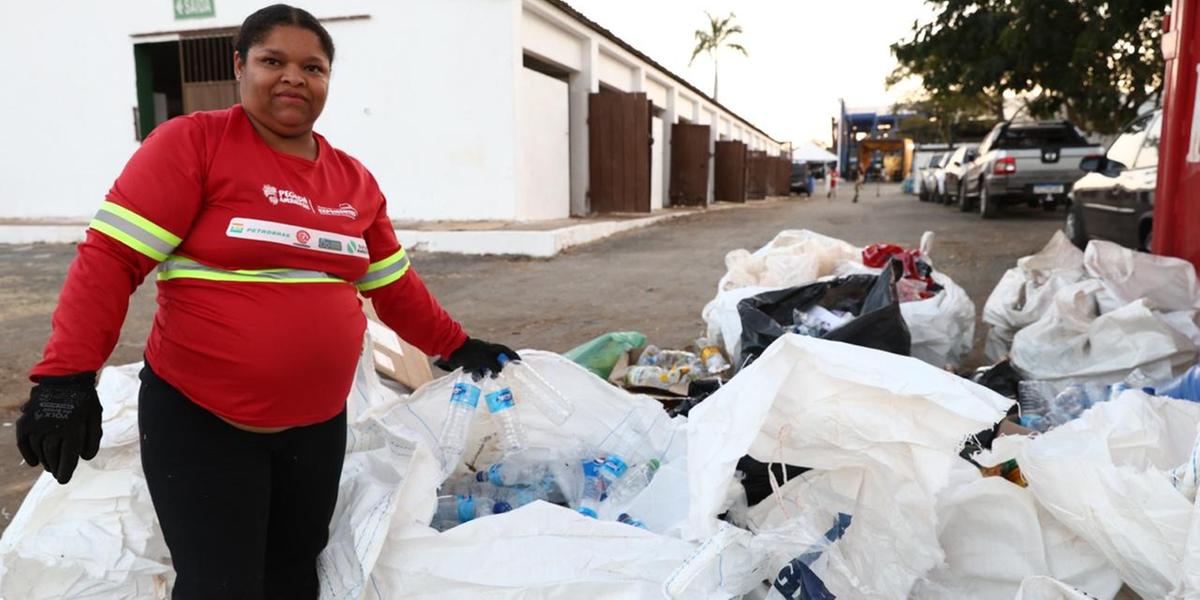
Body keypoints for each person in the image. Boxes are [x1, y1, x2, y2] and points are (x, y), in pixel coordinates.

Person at [15, 5, 515, 598]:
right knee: (220, 585)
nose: (293, 78)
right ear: (240, 66)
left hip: (316, 425)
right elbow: (111, 259)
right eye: (272, 60)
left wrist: (455, 346)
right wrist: (65, 378)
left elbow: (393, 285)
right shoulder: (193, 144)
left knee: (294, 576)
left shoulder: (353, 181)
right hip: (203, 420)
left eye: (313, 67)